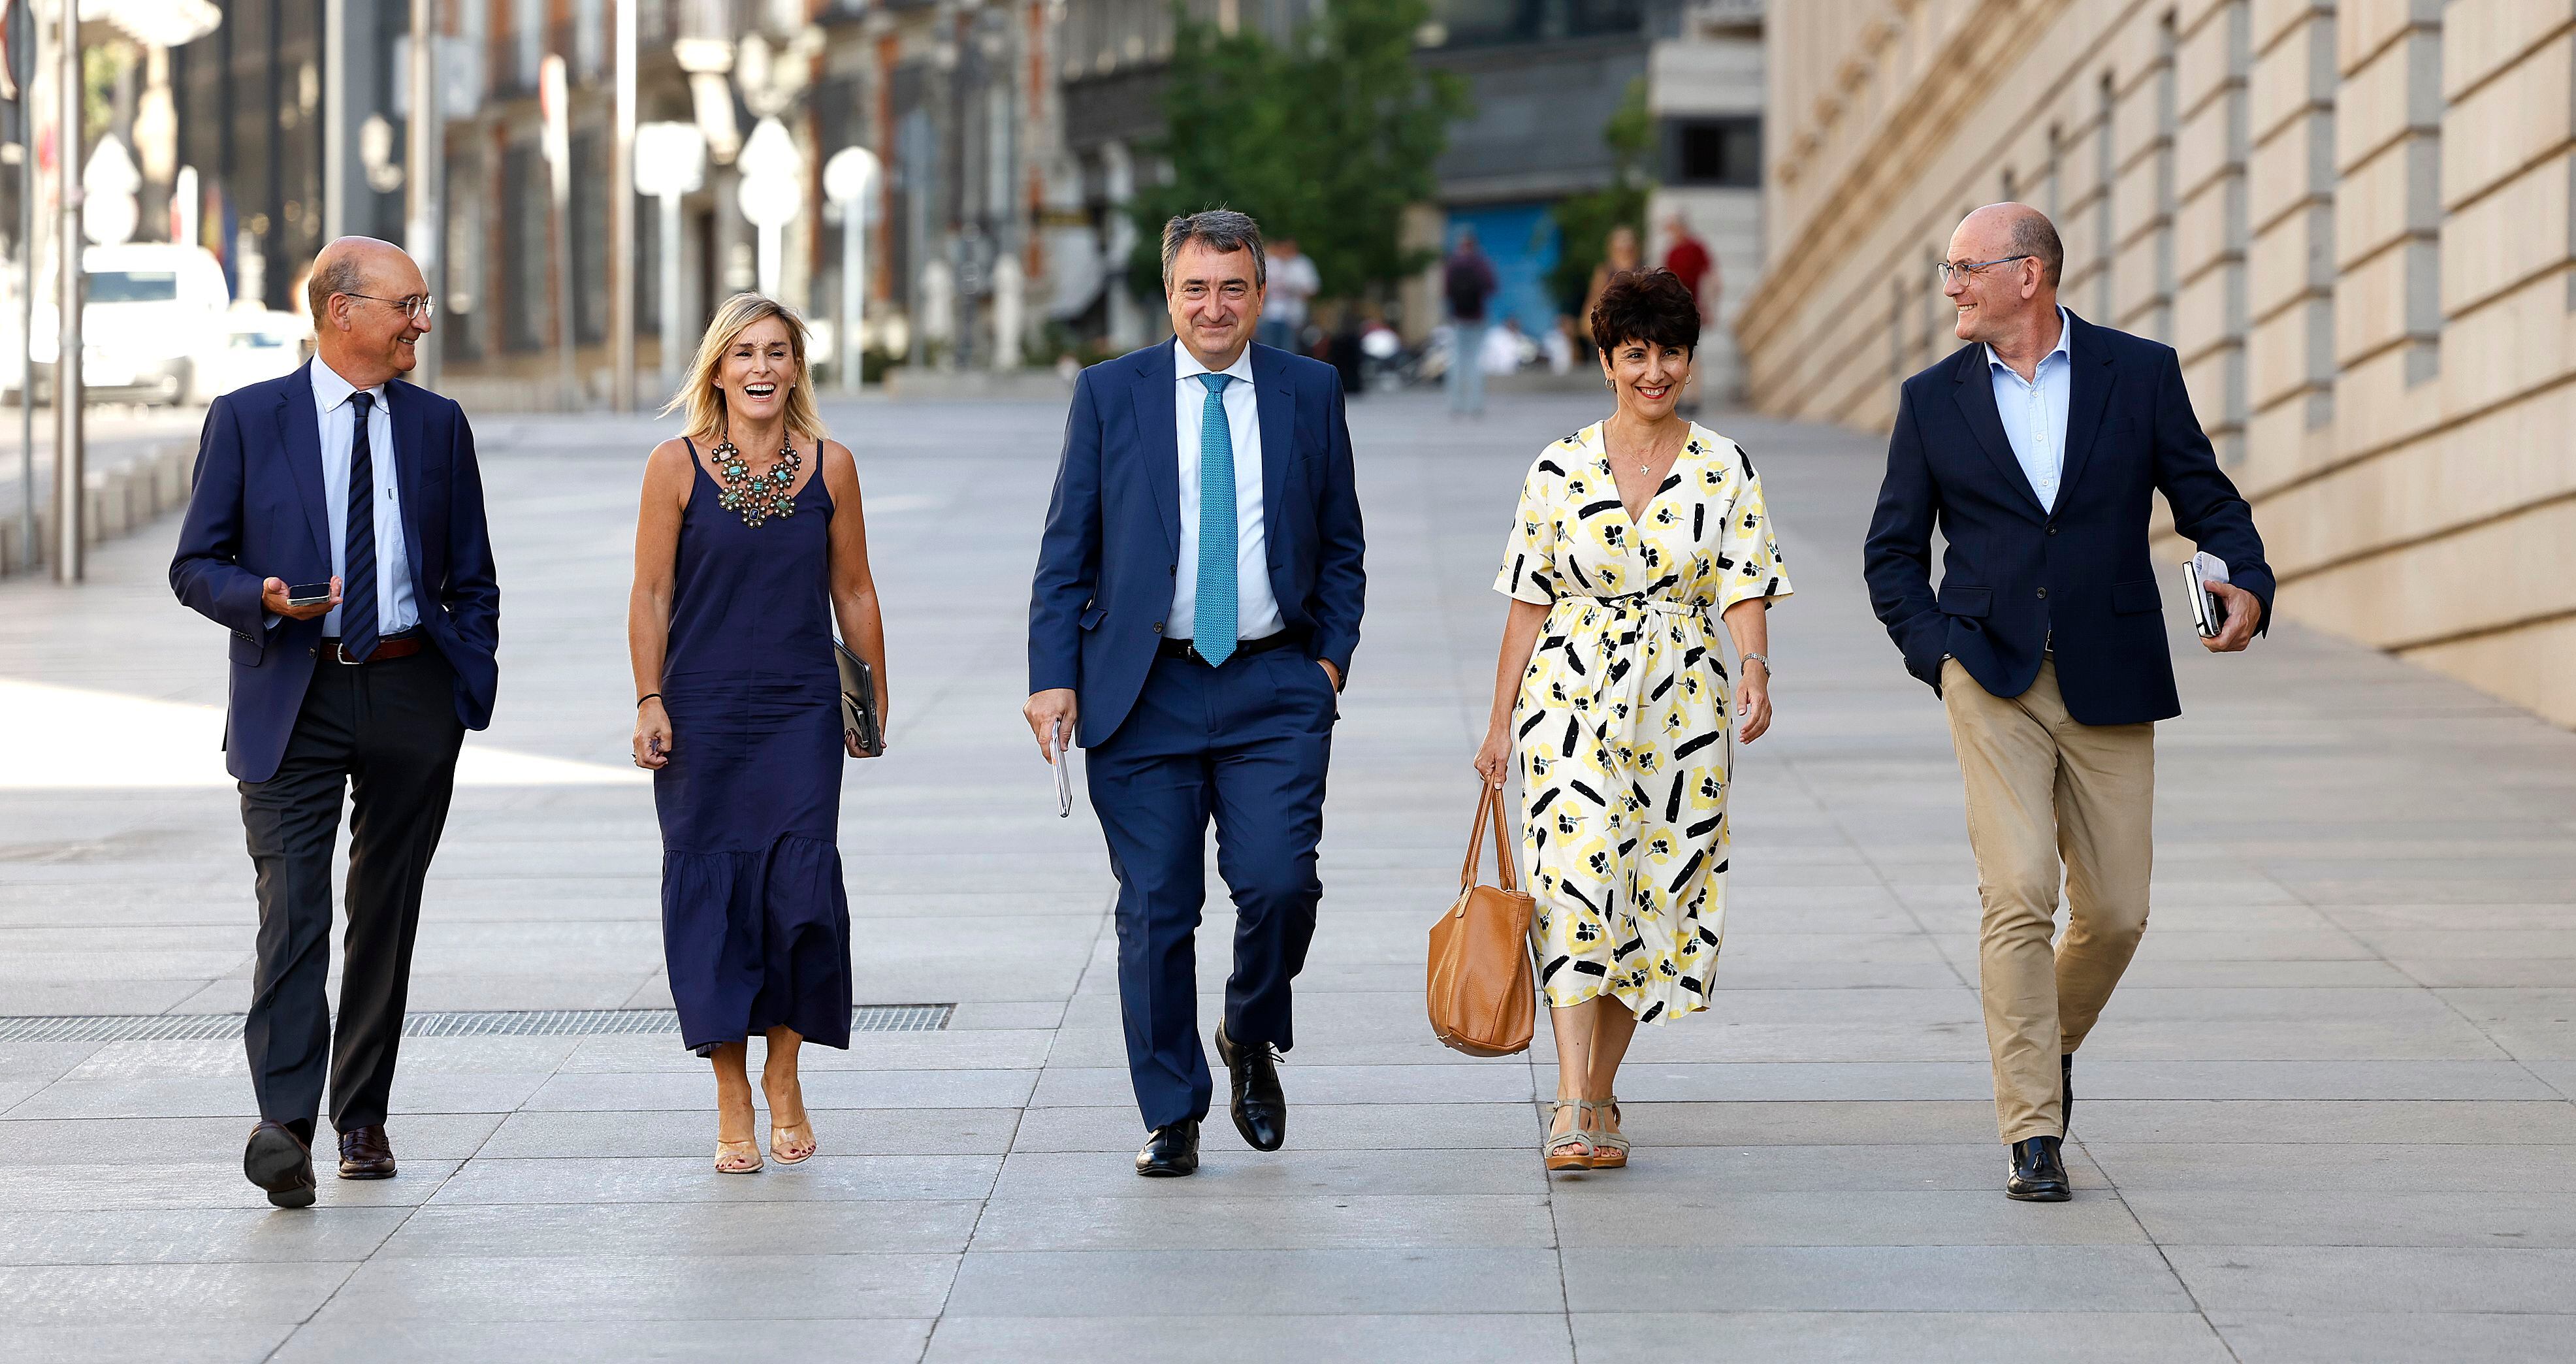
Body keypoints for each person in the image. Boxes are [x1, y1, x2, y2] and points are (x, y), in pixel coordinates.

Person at [1863, 204, 2272, 1202]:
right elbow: (1892, 552)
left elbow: (2207, 500)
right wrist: (1939, 657)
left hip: (2111, 670)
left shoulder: (2140, 372)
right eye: (1948, 269)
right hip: (1989, 675)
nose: (1951, 287)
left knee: (2120, 912)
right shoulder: (1931, 400)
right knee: (2017, 894)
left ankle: (2044, 1049)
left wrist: (2248, 581)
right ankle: (2032, 1133)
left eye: (1965, 269)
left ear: (2029, 274)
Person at [1025, 209, 1366, 1178]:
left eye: (1232, 288)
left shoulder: (1310, 390)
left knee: (1279, 883)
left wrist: (1327, 666)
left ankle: (1251, 1029)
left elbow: (1342, 545)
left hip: (1273, 683)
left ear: (1262, 295)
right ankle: (1172, 1109)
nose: (1213, 307)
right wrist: (1053, 677)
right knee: (1157, 909)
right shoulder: (1110, 394)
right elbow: (1066, 550)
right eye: (1195, 289)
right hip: (1143, 691)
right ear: (1169, 296)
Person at [169, 237, 498, 1208]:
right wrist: (264, 596)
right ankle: (284, 1126)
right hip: (292, 693)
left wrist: (463, 677)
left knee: (386, 914)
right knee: (294, 910)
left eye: (425, 304)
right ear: (341, 311)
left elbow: (472, 573)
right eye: (408, 305)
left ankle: (362, 1116)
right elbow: (195, 565)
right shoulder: (246, 419)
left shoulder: (439, 427)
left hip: (408, 689)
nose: (422, 324)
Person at [1473, 267, 1792, 1171]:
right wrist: (1499, 729)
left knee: (1653, 902)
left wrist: (1755, 668)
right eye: (1636, 354)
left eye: (1671, 354)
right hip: (1567, 700)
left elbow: (1744, 580)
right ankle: (1574, 1102)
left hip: (1684, 709)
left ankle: (1600, 1088)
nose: (1655, 372)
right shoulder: (1558, 466)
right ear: (1607, 359)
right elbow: (1525, 603)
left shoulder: (1724, 466)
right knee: (1575, 889)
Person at [630, 293, 889, 1174]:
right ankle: (731, 1090)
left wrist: (871, 705)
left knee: (799, 896)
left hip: (800, 711)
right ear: (716, 369)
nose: (761, 368)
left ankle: (786, 1072)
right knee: (715, 902)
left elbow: (853, 591)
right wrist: (648, 698)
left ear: (796, 367)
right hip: (702, 713)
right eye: (743, 353)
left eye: (777, 352)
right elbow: (651, 595)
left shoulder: (831, 468)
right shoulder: (674, 467)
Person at [1660, 214, 1717, 414]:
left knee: (1692, 351)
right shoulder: (1672, 251)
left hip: (1692, 305)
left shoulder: (1695, 248)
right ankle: (1683, 395)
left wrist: (1709, 305)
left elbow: (1710, 277)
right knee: (1678, 350)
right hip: (1676, 307)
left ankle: (1694, 395)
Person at [1443, 229, 1498, 417]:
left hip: (1459, 317)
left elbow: (1446, 291)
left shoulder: (1453, 264)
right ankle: (1476, 404)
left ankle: (1456, 404)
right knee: (1475, 361)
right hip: (1477, 317)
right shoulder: (1480, 263)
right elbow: (1492, 286)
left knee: (1457, 360)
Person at [1579, 225, 1645, 353]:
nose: (1624, 252)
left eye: (1628, 248)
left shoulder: (1643, 273)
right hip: (1611, 329)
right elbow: (1593, 301)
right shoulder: (1604, 273)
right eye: (1620, 249)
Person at [1259, 236, 1319, 352]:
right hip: (1269, 316)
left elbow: (1312, 289)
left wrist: (1294, 289)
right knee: (1267, 351)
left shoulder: (1301, 264)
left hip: (1293, 319)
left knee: (1290, 352)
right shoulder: (1270, 263)